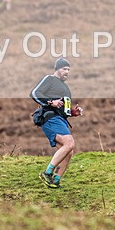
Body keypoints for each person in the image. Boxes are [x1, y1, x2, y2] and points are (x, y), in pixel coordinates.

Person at [30, 58, 83, 189]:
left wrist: (72, 112)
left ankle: (56, 180)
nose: (67, 72)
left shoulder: (65, 88)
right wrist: (50, 102)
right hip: (50, 117)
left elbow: (64, 110)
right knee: (70, 143)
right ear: (57, 69)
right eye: (64, 69)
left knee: (68, 151)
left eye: (68, 70)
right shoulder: (49, 79)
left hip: (61, 119)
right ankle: (47, 172)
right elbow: (34, 93)